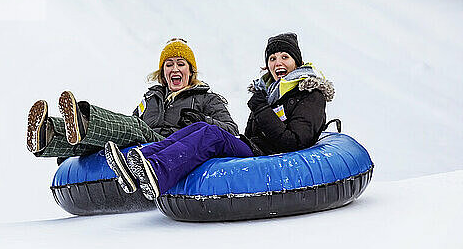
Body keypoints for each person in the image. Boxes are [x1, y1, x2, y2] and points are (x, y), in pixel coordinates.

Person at [105, 33, 335, 200]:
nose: (278, 63)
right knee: (196, 130)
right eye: (272, 59)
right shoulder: (269, 94)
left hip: (271, 157)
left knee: (209, 132)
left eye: (284, 57)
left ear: (297, 62)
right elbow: (251, 134)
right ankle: (136, 163)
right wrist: (261, 107)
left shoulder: (309, 93)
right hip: (255, 149)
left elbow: (294, 142)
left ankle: (157, 172)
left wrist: (261, 109)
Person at [25, 38, 239, 179]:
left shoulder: (206, 99)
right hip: (142, 148)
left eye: (181, 63)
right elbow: (124, 127)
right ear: (162, 71)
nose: (175, 69)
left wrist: (203, 120)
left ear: (191, 71)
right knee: (115, 135)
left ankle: (85, 122)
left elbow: (231, 131)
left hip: (170, 148)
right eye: (169, 64)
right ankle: (52, 135)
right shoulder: (151, 98)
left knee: (136, 128)